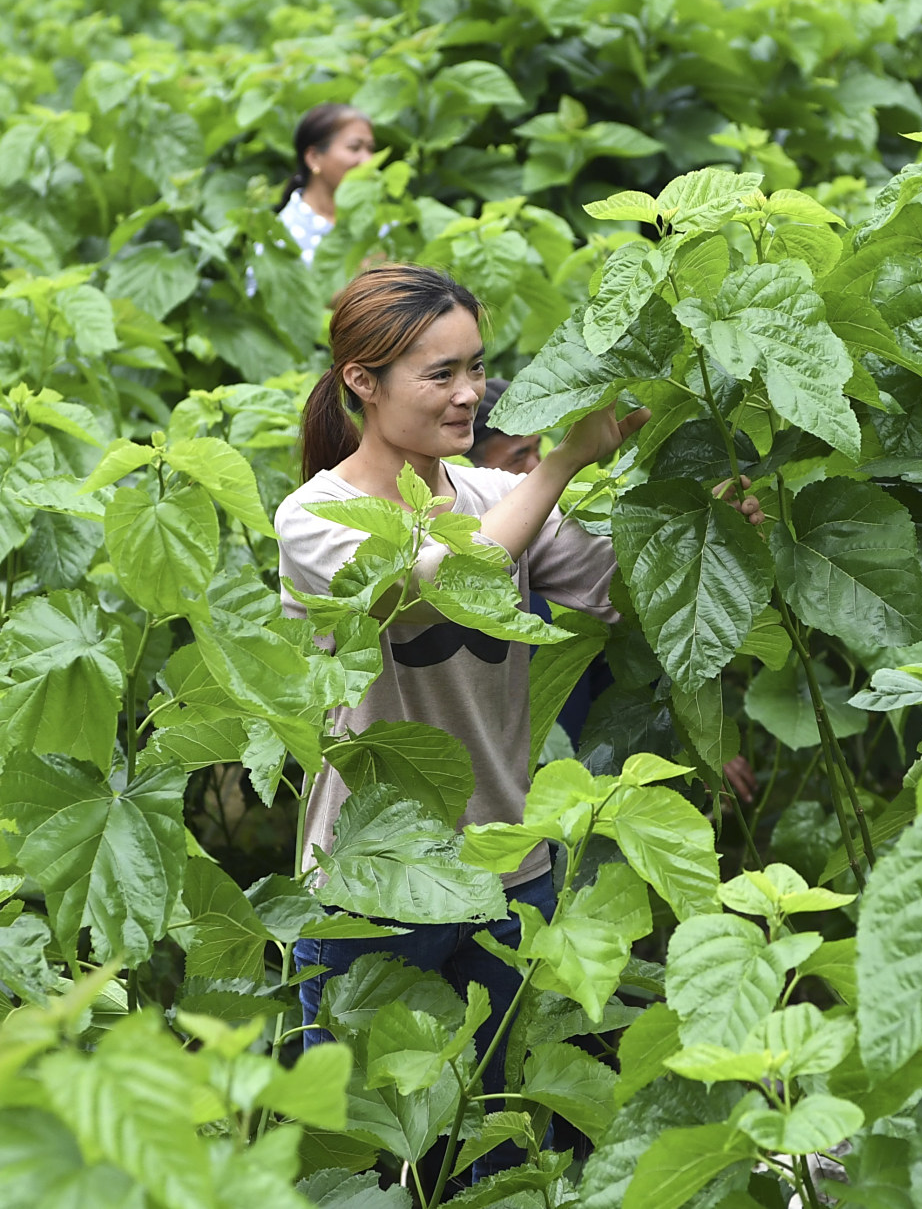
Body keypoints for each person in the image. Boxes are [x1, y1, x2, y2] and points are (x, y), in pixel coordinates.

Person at [275, 264, 762, 1178]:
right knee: (364, 1158)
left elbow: (632, 590)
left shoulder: (496, 496)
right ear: (362, 381)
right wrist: (565, 462)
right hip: (371, 883)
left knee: (494, 1150)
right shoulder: (315, 517)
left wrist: (712, 531)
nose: (469, 393)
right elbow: (443, 583)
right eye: (441, 374)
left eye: (476, 368)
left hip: (507, 871)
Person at [467, 379, 757, 803]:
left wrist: (705, 531)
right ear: (471, 472)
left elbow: (625, 668)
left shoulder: (554, 544)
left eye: (536, 450)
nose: (533, 467)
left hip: (580, 794)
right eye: (515, 458)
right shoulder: (453, 555)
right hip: (492, 792)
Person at [277, 103, 377, 264]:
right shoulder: (282, 236)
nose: (368, 161)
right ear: (314, 157)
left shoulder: (379, 221)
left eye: (370, 149)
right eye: (354, 148)